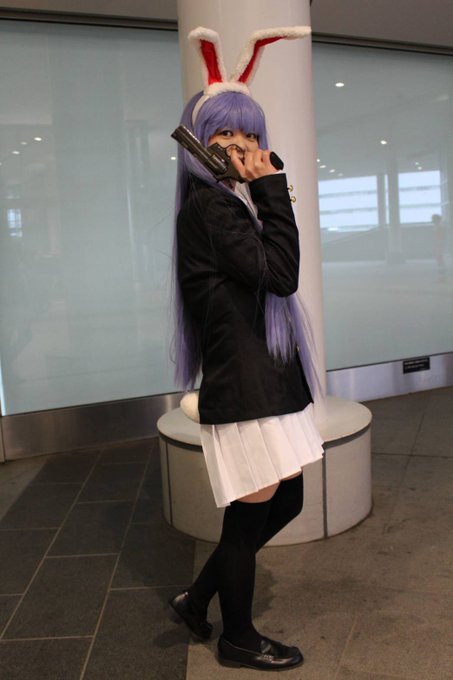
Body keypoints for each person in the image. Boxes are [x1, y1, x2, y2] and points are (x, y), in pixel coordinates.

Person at [168, 27, 324, 672]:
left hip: (262, 378)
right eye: (224, 134)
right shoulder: (213, 207)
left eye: (249, 134)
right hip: (246, 381)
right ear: (200, 143)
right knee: (248, 518)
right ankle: (237, 638)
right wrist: (272, 188)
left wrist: (263, 196)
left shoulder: (229, 205)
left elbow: (269, 279)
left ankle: (195, 599)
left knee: (286, 499)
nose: (240, 146)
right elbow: (281, 275)